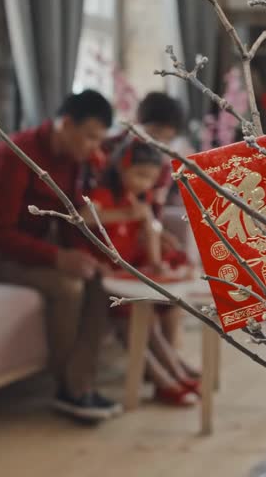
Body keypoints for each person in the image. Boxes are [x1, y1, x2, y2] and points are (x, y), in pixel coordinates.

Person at [0, 90, 122, 422]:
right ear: (66, 124)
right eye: (90, 136)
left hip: (32, 251)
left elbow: (68, 220)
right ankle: (68, 388)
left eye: (100, 139)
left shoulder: (74, 160)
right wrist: (57, 258)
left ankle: (80, 384)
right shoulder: (16, 154)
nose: (95, 147)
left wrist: (87, 257)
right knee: (69, 287)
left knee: (102, 282)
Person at [83, 139, 200, 406]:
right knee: (130, 319)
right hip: (106, 272)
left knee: (150, 321)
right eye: (139, 175)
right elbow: (86, 217)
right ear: (121, 168)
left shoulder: (141, 197)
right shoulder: (103, 194)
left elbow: (151, 231)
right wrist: (128, 214)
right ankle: (164, 380)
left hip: (129, 269)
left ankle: (175, 371)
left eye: (150, 179)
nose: (144, 183)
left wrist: (156, 258)